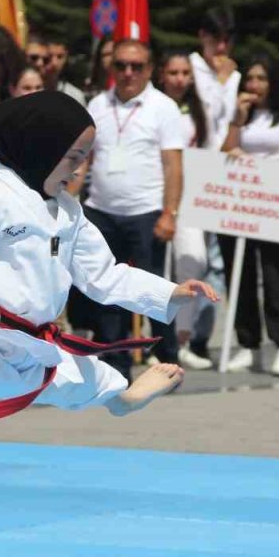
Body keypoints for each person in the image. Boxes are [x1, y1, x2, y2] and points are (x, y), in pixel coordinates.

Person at [0, 91, 217, 425]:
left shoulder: (69, 212)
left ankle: (123, 400)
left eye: (84, 159)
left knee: (89, 377)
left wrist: (170, 293)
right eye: (73, 158)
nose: (79, 170)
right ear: (40, 152)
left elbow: (104, 275)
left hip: (37, 349)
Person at [81, 39, 187, 381]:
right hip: (101, 210)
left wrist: (170, 212)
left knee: (152, 289)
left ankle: (167, 357)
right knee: (106, 289)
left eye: (136, 66)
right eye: (121, 65)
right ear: (112, 68)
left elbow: (173, 165)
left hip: (146, 212)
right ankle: (115, 362)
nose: (128, 73)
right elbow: (83, 159)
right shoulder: (97, 104)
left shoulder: (163, 107)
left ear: (149, 69)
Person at [220, 55, 279, 376]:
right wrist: (237, 121)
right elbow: (226, 152)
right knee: (239, 274)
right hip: (239, 202)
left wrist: (254, 165)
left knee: (277, 275)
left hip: (276, 202)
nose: (255, 86)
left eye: (261, 78)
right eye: (250, 79)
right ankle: (248, 344)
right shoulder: (241, 114)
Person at [157, 51, 214, 371]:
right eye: (173, 72)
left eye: (185, 73)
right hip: (157, 194)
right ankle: (156, 341)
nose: (179, 79)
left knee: (194, 260)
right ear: (162, 75)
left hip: (192, 195)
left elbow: (209, 146)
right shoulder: (153, 106)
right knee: (157, 270)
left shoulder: (197, 110)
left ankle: (182, 337)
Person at [190, 7, 239, 152]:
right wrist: (221, 80)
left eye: (226, 41)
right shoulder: (190, 68)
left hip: (226, 158)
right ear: (202, 36)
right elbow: (208, 114)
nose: (221, 47)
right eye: (216, 40)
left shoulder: (235, 76)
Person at [46, 36, 84, 105]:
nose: (54, 63)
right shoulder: (30, 89)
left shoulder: (75, 95)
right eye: (49, 56)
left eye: (60, 57)